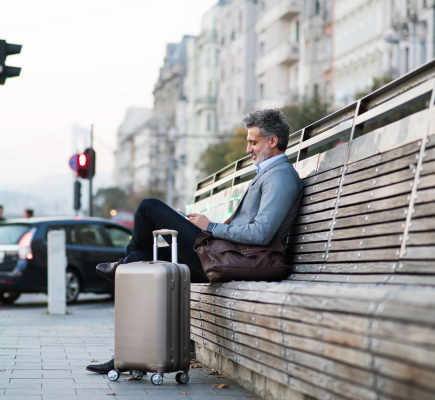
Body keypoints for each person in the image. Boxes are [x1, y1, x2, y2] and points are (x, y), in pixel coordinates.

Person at [86, 109, 303, 374]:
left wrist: (209, 227)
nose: (248, 149)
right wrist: (207, 227)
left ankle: (119, 270)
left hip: (234, 259)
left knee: (148, 208)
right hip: (225, 254)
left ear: (273, 141)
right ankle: (126, 354)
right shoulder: (268, 173)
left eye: (253, 142)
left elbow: (261, 234)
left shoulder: (280, 176)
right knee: (137, 262)